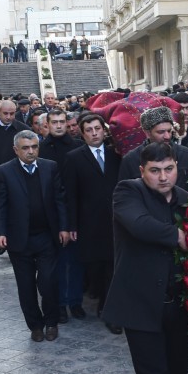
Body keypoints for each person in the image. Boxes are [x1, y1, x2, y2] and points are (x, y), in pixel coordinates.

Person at [102, 142, 188, 374]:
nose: (163, 176)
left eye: (168, 169)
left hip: (179, 308)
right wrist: (178, 235)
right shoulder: (127, 192)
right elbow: (138, 225)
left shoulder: (186, 198)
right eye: (155, 171)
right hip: (140, 308)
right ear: (142, 172)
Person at [0, 131, 70, 342]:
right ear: (16, 150)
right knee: (26, 286)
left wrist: (64, 227)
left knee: (48, 282)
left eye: (34, 147)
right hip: (20, 239)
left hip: (46, 237)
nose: (30, 151)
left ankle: (51, 322)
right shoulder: (4, 171)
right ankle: (35, 325)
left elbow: (59, 200)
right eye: (26, 148)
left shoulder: (50, 167)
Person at [64, 114, 122, 331]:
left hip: (115, 220)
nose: (94, 133)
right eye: (89, 130)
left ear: (104, 130)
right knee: (94, 267)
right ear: (82, 133)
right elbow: (70, 194)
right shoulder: (74, 157)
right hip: (88, 222)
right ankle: (97, 300)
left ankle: (109, 311)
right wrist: (71, 225)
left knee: (112, 266)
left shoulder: (116, 154)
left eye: (97, 128)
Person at [39, 109, 84, 324]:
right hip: (49, 213)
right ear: (47, 124)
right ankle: (58, 304)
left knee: (74, 261)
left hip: (73, 210)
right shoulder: (39, 149)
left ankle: (75, 301)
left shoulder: (76, 147)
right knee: (54, 262)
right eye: (54, 122)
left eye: (61, 122)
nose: (58, 125)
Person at [118, 107, 188, 191]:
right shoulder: (131, 160)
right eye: (161, 132)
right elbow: (124, 193)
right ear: (147, 133)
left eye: (169, 131)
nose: (167, 136)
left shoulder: (187, 155)